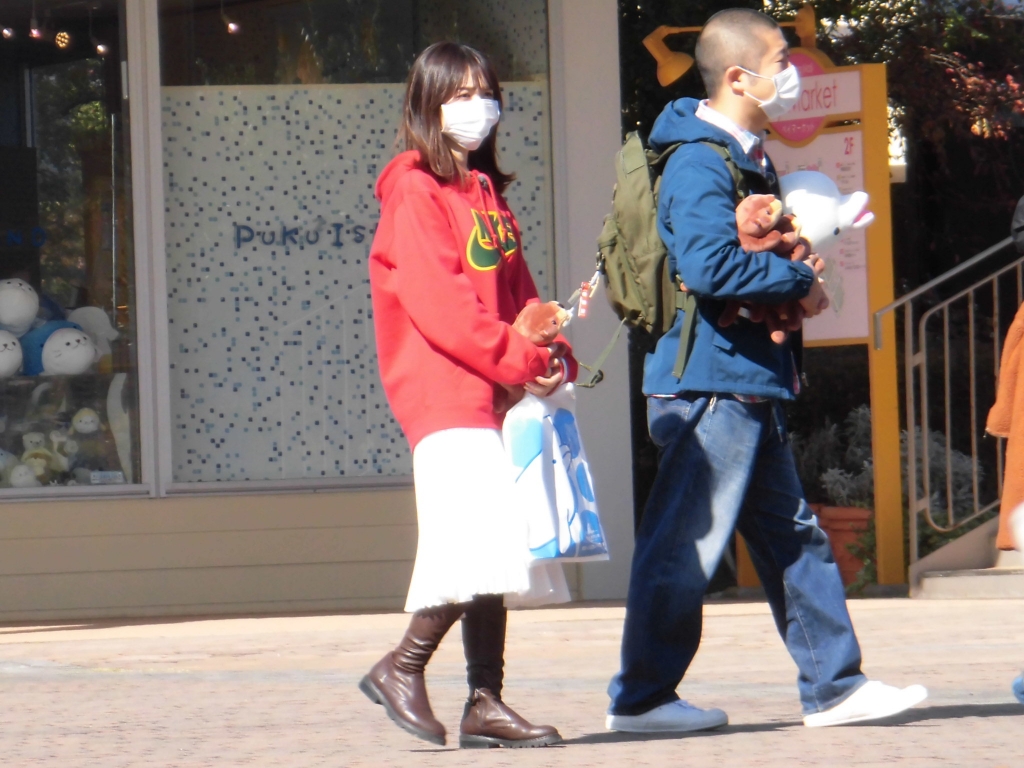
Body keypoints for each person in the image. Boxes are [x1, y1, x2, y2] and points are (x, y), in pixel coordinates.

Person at [605, 9, 928, 733]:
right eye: (780, 59)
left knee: (790, 536)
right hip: (710, 385)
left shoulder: (744, 154)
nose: (792, 72)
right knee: (684, 545)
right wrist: (798, 275)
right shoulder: (700, 160)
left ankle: (834, 687)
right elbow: (708, 266)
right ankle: (642, 698)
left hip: (739, 379)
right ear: (738, 76)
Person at [361, 41, 575, 750]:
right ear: (427, 104)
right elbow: (444, 309)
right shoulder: (413, 191)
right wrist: (521, 359)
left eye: (486, 93)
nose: (478, 106)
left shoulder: (484, 192)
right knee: (480, 541)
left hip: (495, 392)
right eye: (459, 94)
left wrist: (551, 357)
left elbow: (519, 295)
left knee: (497, 548)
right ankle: (402, 665)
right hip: (445, 391)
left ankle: (485, 701)